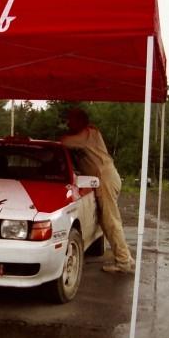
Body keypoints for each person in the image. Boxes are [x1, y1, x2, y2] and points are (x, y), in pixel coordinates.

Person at [60, 108, 135, 274]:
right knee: (109, 221)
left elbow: (64, 141)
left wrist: (60, 136)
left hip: (105, 178)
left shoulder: (88, 134)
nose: (68, 124)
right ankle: (125, 258)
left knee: (111, 221)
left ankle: (123, 262)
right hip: (105, 178)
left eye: (71, 121)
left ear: (80, 121)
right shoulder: (87, 133)